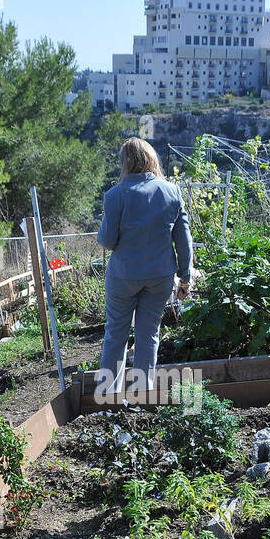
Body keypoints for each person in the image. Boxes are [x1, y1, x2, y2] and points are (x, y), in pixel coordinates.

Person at [95, 137, 192, 397]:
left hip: (123, 277)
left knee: (116, 334)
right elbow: (183, 240)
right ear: (151, 159)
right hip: (160, 277)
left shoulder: (115, 195)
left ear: (125, 163)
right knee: (149, 335)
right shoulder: (171, 192)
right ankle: (142, 394)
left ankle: (107, 397)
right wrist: (185, 278)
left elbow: (107, 241)